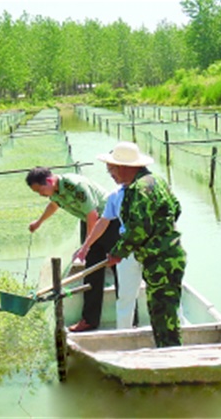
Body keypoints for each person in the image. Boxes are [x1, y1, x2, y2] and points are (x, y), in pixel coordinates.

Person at [97, 141, 186, 348]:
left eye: (111, 170)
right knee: (164, 312)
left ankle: (172, 357)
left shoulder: (139, 190)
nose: (111, 174)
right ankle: (171, 353)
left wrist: (118, 253)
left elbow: (137, 229)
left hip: (161, 262)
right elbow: (177, 209)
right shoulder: (157, 181)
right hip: (168, 255)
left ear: (124, 167)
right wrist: (162, 233)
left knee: (163, 316)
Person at [26, 167, 120, 332]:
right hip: (91, 223)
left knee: (119, 269)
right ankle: (90, 320)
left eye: (40, 190)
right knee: (91, 271)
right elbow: (54, 205)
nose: (41, 194)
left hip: (109, 221)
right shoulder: (54, 190)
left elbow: (93, 215)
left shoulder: (75, 186)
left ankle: (129, 319)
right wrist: (39, 222)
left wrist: (86, 246)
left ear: (49, 181)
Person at [73, 182, 143, 329]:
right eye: (110, 169)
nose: (111, 173)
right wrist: (86, 246)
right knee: (96, 274)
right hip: (121, 243)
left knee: (129, 284)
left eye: (113, 168)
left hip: (147, 248)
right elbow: (102, 221)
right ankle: (94, 321)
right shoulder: (114, 195)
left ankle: (137, 324)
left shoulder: (148, 190)